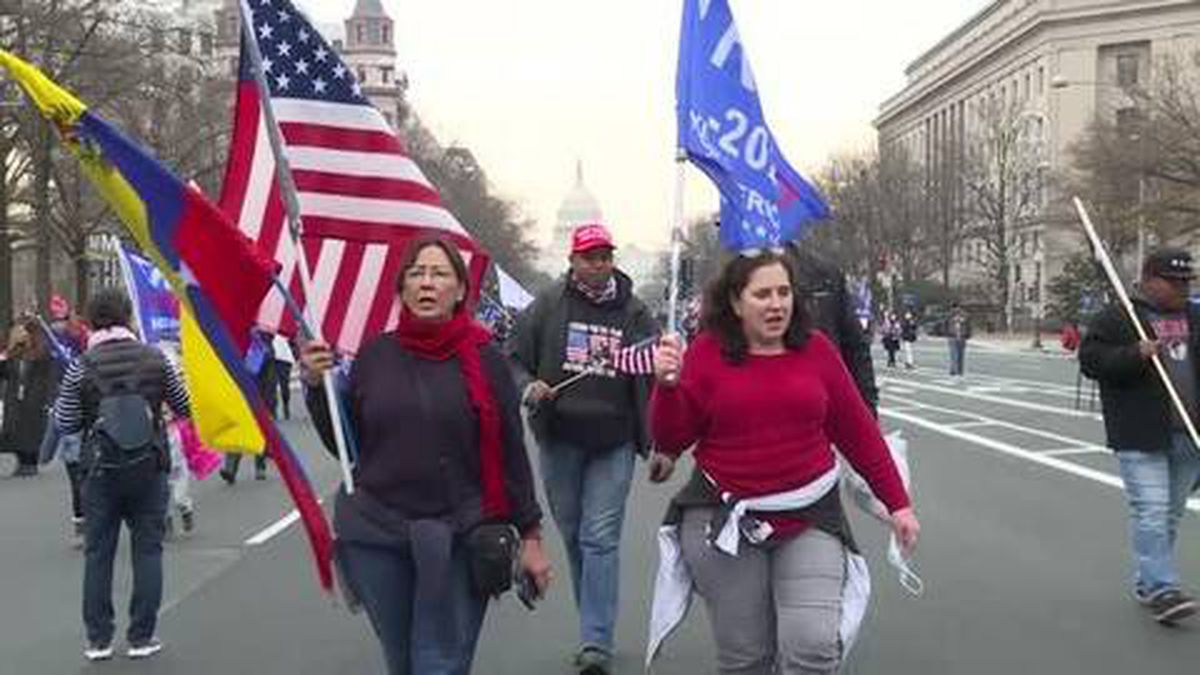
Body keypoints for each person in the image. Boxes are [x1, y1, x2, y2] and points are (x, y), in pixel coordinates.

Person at [648, 251, 919, 674]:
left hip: (810, 518)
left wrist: (898, 504)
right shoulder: (705, 353)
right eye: (762, 295)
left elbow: (859, 433)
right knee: (748, 658)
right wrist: (666, 388)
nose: (776, 304)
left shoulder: (818, 351)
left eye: (783, 292)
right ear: (737, 303)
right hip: (724, 522)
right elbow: (670, 438)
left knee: (813, 648)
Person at [301, 236, 551, 675]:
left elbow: (512, 452)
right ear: (401, 290)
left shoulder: (486, 360)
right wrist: (317, 389)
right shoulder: (375, 356)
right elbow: (347, 444)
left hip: (462, 533)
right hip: (378, 533)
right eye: (416, 273)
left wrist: (531, 537)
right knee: (402, 664)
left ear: (459, 290)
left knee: (440, 665)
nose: (427, 283)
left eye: (439, 273)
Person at [508, 222, 657, 675]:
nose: (599, 264)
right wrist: (528, 386)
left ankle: (596, 641)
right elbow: (513, 357)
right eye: (590, 256)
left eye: (605, 256)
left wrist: (659, 435)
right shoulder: (548, 306)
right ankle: (592, 626)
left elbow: (654, 369)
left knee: (600, 538)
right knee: (574, 536)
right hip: (560, 439)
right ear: (572, 261)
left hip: (613, 440)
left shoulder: (633, 311)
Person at [54, 288, 191, 661]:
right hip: (149, 466)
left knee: (99, 554)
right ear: (128, 315)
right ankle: (141, 637)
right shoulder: (154, 359)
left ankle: (99, 640)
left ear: (89, 320)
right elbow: (184, 406)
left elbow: (66, 421)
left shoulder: (82, 364)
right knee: (148, 551)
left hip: (99, 471)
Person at [1079, 248, 1200, 625]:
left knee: (1170, 515)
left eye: (1187, 282)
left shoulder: (1195, 315)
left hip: (1188, 434)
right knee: (1150, 511)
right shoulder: (1119, 318)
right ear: (1149, 279)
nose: (1181, 289)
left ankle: (1148, 582)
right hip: (1140, 432)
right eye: (1173, 282)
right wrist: (1135, 353)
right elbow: (1092, 362)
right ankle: (1163, 588)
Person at [789, 245, 879, 410]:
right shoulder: (740, 272)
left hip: (828, 404)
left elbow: (855, 347)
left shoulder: (825, 274)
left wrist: (868, 410)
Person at [0, 316, 56, 477]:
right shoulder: (14, 353)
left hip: (35, 398)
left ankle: (30, 462)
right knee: (14, 429)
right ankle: (22, 459)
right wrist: (10, 349)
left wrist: (50, 398)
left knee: (31, 428)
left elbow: (50, 376)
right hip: (15, 398)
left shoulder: (42, 354)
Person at [219, 330, 275, 484]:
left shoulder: (265, 351)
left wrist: (269, 405)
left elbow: (269, 382)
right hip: (238, 395)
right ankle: (230, 469)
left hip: (258, 397)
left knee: (258, 432)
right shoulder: (234, 346)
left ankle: (260, 467)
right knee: (237, 430)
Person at [272, 334, 295, 420]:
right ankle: (273, 410)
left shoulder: (284, 326)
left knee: (284, 385)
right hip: (272, 358)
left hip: (285, 359)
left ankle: (286, 406)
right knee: (271, 385)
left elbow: (292, 338)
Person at [947, 303, 972, 377]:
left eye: (956, 308)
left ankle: (960, 370)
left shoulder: (965, 315)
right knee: (953, 354)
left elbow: (968, 325)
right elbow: (947, 323)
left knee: (960, 354)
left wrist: (968, 334)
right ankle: (953, 370)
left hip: (961, 336)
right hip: (953, 336)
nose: (955, 310)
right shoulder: (950, 315)